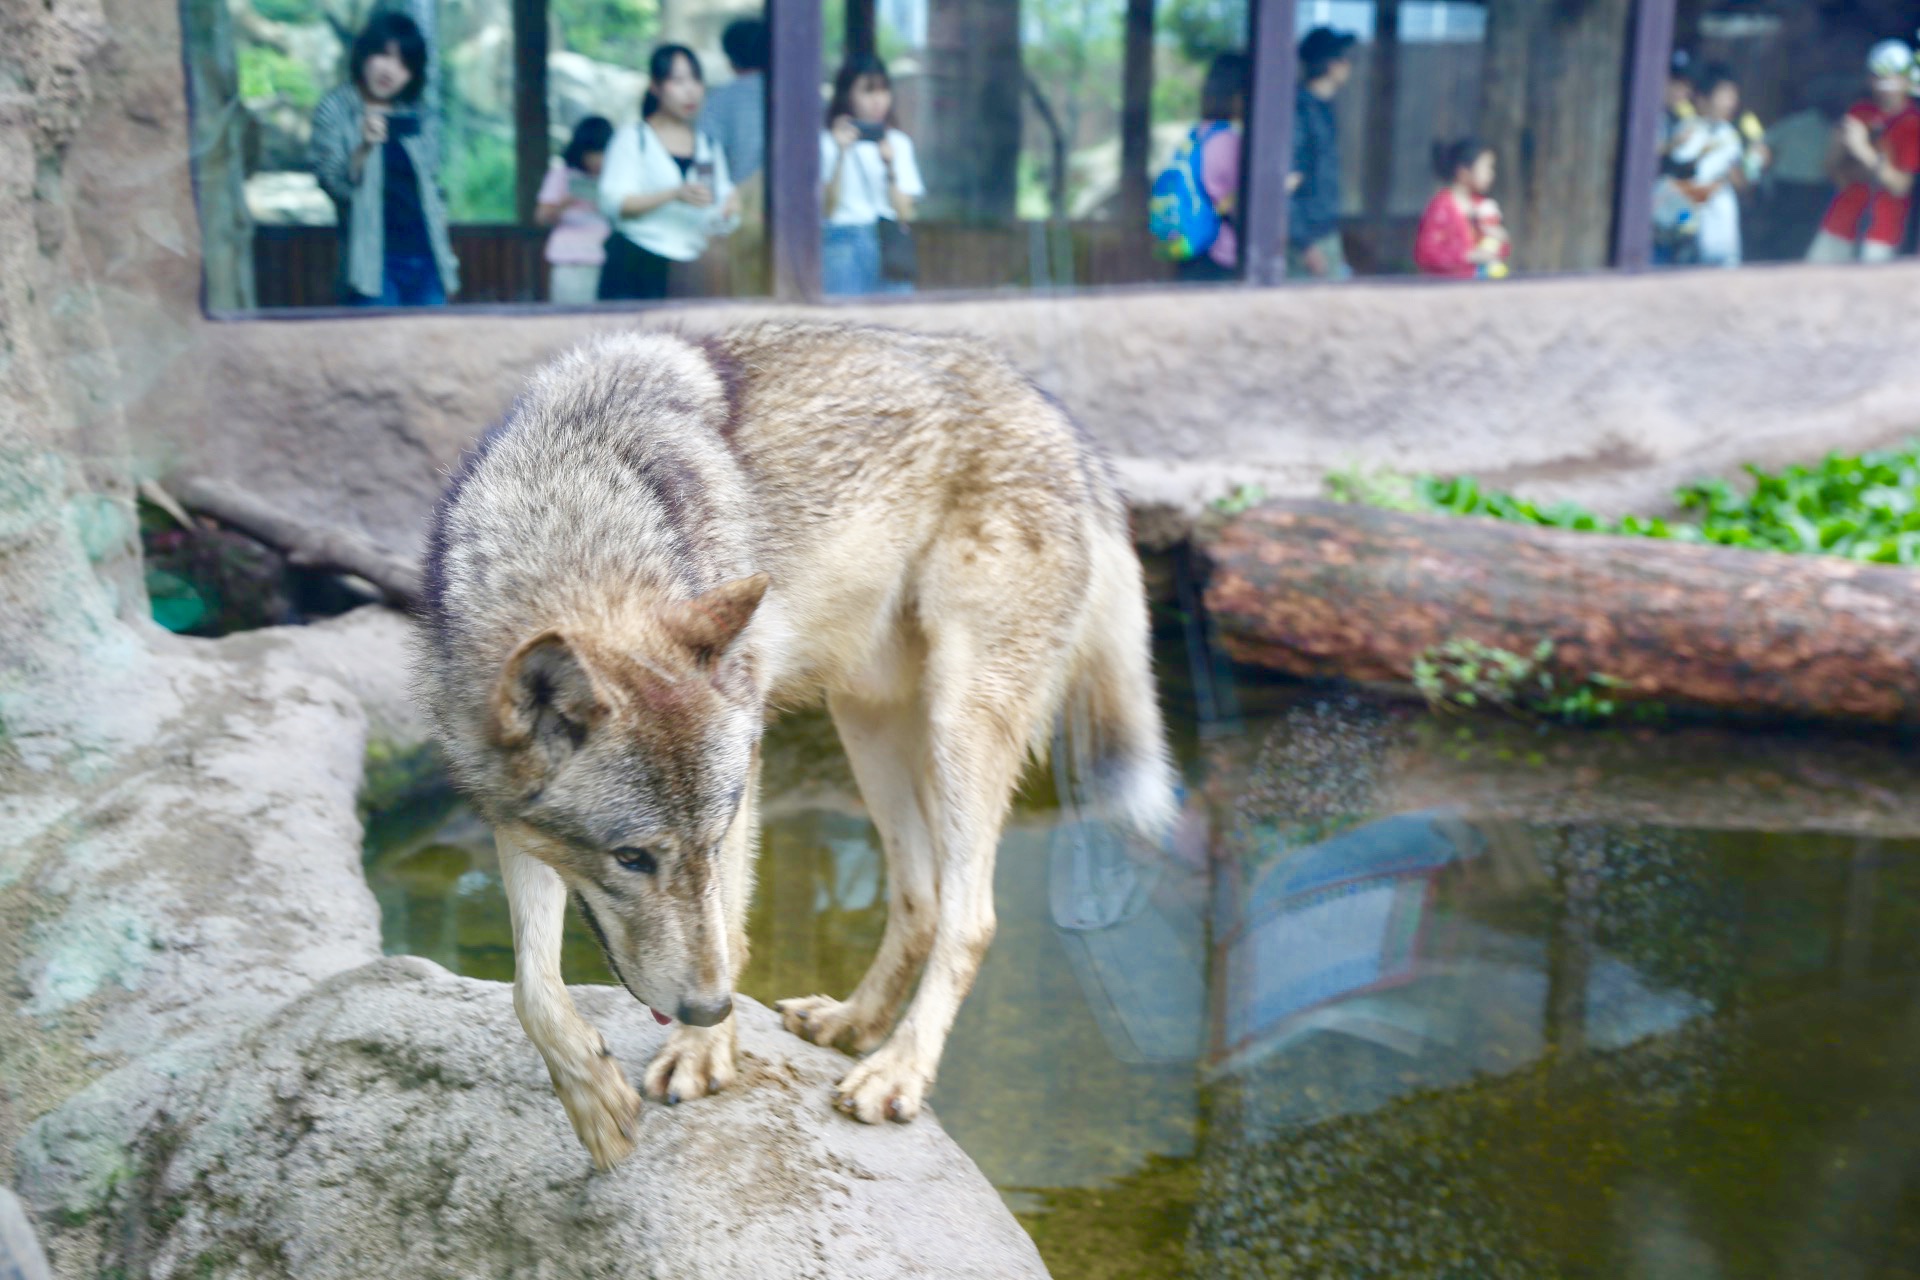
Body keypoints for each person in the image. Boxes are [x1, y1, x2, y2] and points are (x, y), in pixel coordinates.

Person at [309, 11, 459, 306]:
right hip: (373, 263)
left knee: (432, 348)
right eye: (384, 55)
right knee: (377, 350)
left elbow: (432, 192)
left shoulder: (417, 115)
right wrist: (364, 147)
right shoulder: (336, 109)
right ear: (366, 53)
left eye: (404, 64)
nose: (390, 70)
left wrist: (446, 263)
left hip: (428, 259)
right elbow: (335, 186)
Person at [596, 44, 737, 301]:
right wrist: (673, 194)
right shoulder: (633, 138)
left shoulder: (709, 146)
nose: (690, 90)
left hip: (691, 268)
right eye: (678, 80)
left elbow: (717, 212)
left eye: (696, 80)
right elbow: (613, 202)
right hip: (635, 264)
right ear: (656, 86)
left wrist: (729, 208)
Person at [1807, 40, 1920, 264]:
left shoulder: (1912, 123)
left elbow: (1900, 186)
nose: (1886, 81)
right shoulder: (1860, 111)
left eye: (1895, 74)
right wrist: (1838, 144)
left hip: (1881, 231)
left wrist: (1861, 149)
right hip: (1840, 221)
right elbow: (1833, 171)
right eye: (1879, 74)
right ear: (1870, 78)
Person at [821, 54, 925, 296]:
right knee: (843, 327)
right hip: (843, 240)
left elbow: (905, 212)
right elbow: (827, 209)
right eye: (868, 92)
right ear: (848, 95)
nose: (878, 101)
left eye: (883, 91)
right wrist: (840, 155)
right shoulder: (827, 143)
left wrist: (890, 166)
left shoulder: (899, 143)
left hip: (887, 241)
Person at [1655, 64, 1763, 268]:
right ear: (1703, 99)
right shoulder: (1688, 129)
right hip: (1686, 226)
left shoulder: (1730, 133)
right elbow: (1681, 170)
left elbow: (1744, 186)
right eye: (1725, 96)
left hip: (1721, 228)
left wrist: (1750, 163)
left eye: (1733, 97)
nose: (1731, 103)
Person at [698, 18, 769, 296]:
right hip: (793, 215)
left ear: (730, 58)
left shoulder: (720, 100)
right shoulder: (792, 94)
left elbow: (706, 158)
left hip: (740, 212)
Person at [1288, 26, 1355, 280]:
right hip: (1305, 244)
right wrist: (1305, 245)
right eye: (1342, 58)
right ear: (1329, 64)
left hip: (1325, 235)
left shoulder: (1323, 110)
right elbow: (1285, 184)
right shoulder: (1300, 112)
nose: (1348, 65)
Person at [1178, 53, 1249, 283]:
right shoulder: (1228, 140)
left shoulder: (1198, 133)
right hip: (1220, 253)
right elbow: (1240, 205)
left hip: (1191, 246)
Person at [535, 116, 613, 305]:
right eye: (593, 153)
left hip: (606, 256)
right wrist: (565, 202)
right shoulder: (562, 175)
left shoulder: (614, 178)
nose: (598, 160)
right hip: (571, 259)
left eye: (603, 153)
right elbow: (540, 217)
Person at [1413, 138, 1509, 279]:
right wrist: (1466, 256)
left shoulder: (1482, 206)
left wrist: (1501, 240)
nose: (1491, 174)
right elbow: (1425, 254)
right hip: (1445, 289)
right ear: (1463, 172)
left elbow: (1495, 252)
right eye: (1486, 167)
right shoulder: (1441, 207)